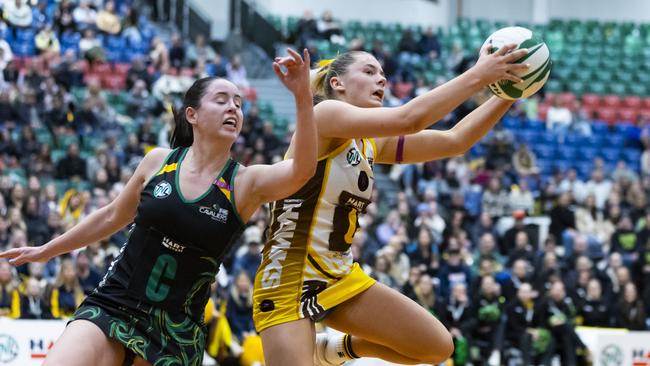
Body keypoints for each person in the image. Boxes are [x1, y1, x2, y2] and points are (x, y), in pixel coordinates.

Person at [0, 48, 316, 366]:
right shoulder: (158, 161)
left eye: (238, 103)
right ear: (191, 114)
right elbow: (111, 215)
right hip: (116, 302)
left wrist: (303, 97)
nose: (233, 107)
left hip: (176, 330)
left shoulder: (245, 182)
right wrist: (46, 250)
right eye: (221, 99)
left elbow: (302, 170)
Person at [253, 44, 530, 365]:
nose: (381, 80)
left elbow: (455, 141)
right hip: (287, 277)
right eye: (369, 72)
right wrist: (480, 74)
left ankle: (332, 348)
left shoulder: (369, 142)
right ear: (337, 83)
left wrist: (509, 94)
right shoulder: (324, 115)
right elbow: (410, 118)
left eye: (383, 75)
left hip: (338, 275)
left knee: (435, 346)